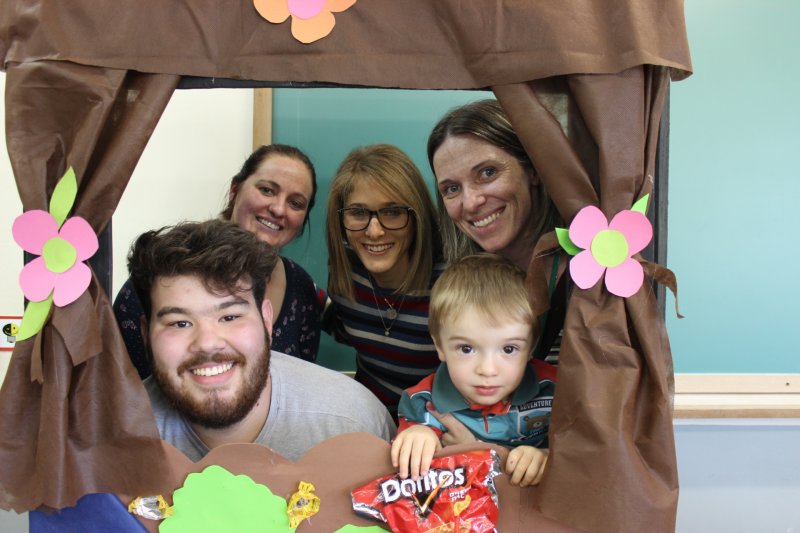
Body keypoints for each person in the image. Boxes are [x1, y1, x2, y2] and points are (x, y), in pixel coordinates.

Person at [127, 219, 395, 462]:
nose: (207, 343)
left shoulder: (353, 423)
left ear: (267, 321)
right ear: (146, 334)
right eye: (180, 323)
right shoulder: (118, 437)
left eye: (230, 317)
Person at [115, 144, 324, 378]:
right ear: (235, 190)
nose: (278, 209)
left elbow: (302, 378)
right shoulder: (161, 276)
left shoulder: (301, 287)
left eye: (296, 203)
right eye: (267, 190)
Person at [391, 254, 556, 487]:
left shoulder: (554, 390)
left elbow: (581, 452)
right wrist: (417, 436)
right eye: (466, 349)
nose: (487, 370)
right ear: (440, 346)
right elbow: (412, 478)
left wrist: (548, 456)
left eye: (509, 349)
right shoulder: (422, 403)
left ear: (531, 347)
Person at [427, 99, 564, 366]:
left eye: (487, 173)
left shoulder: (589, 281)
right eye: (452, 188)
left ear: (533, 169)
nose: (470, 202)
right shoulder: (456, 287)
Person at [324, 144, 444, 420]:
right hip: (368, 422)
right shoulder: (346, 272)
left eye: (392, 212)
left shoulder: (450, 283)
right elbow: (339, 325)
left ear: (416, 217)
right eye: (358, 213)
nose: (374, 231)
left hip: (436, 430)